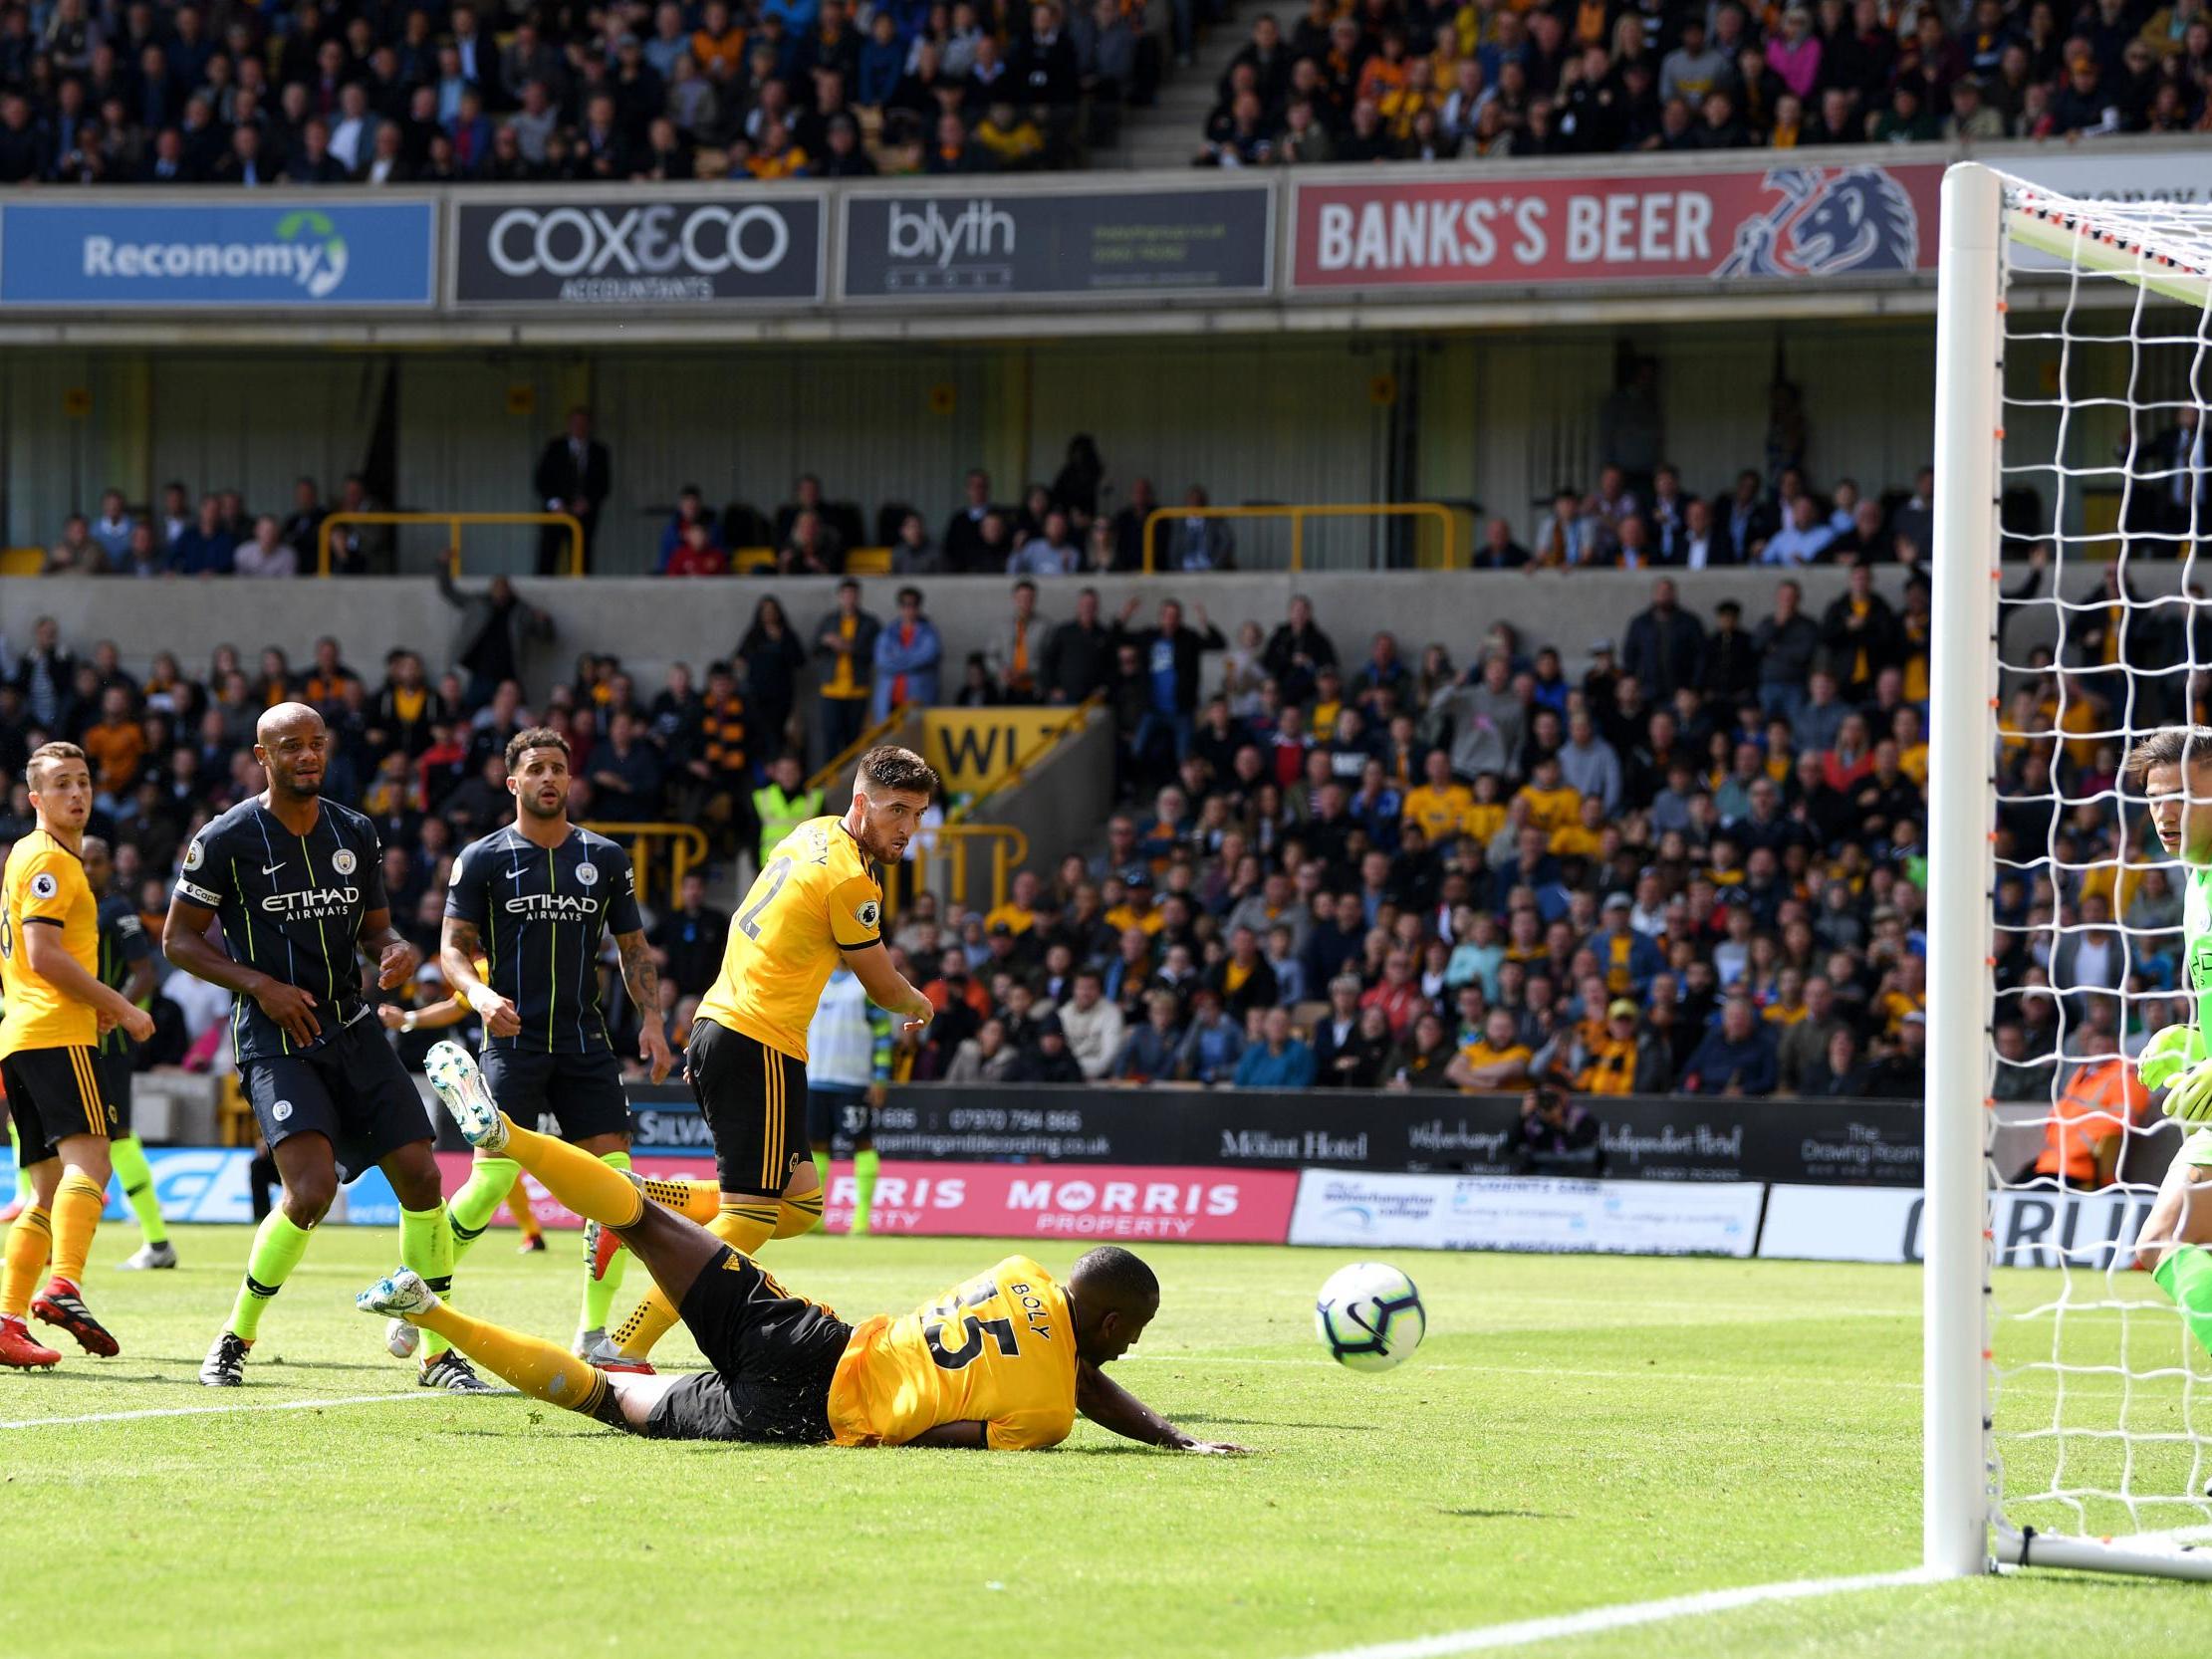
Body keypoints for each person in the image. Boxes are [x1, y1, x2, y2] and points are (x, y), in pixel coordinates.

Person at [366, 1066, 1245, 1453]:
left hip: (812, 1338)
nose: (1130, 1351)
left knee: (637, 1216)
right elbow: (953, 1431)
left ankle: (510, 1136)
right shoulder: (1050, 1417)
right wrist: (1172, 1438)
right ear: (1117, 1322)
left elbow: (1080, 1369)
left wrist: (1166, 1432)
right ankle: (425, 1310)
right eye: (1134, 1335)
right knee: (610, 1398)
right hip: (799, 1416)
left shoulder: (1017, 1272)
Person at [162, 705, 482, 1391]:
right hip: (276, 1037)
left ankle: (436, 1352)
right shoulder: (225, 838)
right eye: (290, 746)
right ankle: (234, 1335)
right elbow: (177, 940)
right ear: (262, 755)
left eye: (315, 744)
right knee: (307, 1193)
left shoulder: (354, 831)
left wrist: (393, 951)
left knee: (424, 1179)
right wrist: (258, 984)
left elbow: (376, 932)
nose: (307, 755)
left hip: (353, 1026)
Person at [605, 745, 938, 1368]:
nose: (908, 828)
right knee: (752, 1217)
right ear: (861, 802)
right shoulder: (849, 879)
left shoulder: (813, 833)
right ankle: (625, 1344)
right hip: (756, 1040)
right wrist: (920, 1003)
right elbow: (882, 986)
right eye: (897, 810)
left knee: (801, 1205)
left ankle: (634, 1200)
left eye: (918, 814)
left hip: (732, 1029)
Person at [440, 728, 674, 1366]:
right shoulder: (482, 859)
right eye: (536, 768)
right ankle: (422, 1294)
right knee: (490, 1186)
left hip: (584, 1044)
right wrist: (480, 997)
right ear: (512, 782)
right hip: (512, 1041)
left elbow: (633, 949)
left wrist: (652, 1022)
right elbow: (453, 947)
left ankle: (592, 1335)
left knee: (617, 1190)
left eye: (559, 768)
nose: (549, 778)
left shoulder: (606, 857)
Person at [0, 745, 157, 1369]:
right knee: (92, 1159)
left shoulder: (29, 857)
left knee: (42, 1190)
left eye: (84, 782)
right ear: (34, 799)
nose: (77, 794)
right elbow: (43, 954)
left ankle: (8, 1319)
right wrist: (120, 1006)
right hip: (54, 1033)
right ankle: (65, 1284)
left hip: (20, 1032)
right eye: (61, 785)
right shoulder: (50, 860)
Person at [2123, 730, 2212, 1356]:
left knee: (2164, 1241)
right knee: (2161, 1245)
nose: (2165, 811)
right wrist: (2192, 1041)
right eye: (2155, 797)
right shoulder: (2196, 883)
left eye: (2182, 793)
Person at [83, 835, 173, 1271]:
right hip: (77, 1041)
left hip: (109, 1045)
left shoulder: (116, 912)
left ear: (109, 868)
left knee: (117, 1138)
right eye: (81, 861)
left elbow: (145, 975)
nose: (87, 869)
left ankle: (157, 1244)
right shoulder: (71, 912)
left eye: (96, 862)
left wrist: (113, 1012)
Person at [805, 963, 890, 1237]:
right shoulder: (813, 980)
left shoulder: (865, 985)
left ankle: (862, 1218)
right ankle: (816, 1217)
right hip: (814, 1078)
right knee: (816, 1145)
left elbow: (883, 1035)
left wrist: (880, 1077)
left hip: (853, 1082)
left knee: (861, 1143)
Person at [532, 405, 611, 574]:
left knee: (582, 559)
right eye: (575, 423)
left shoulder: (599, 451)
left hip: (584, 515)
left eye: (583, 423)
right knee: (547, 556)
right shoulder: (555, 447)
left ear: (589, 426)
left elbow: (603, 485)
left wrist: (587, 502)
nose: (579, 427)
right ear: (569, 425)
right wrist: (555, 503)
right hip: (555, 513)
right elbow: (541, 480)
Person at [812, 579, 880, 762]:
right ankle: (830, 785)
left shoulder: (870, 623)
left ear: (859, 597)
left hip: (857, 690)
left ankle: (852, 782)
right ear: (839, 597)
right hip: (831, 689)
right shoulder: (828, 621)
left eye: (853, 595)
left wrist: (848, 647)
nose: (849, 599)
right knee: (830, 740)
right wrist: (827, 642)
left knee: (853, 741)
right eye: (846, 595)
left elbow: (875, 654)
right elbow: (813, 650)